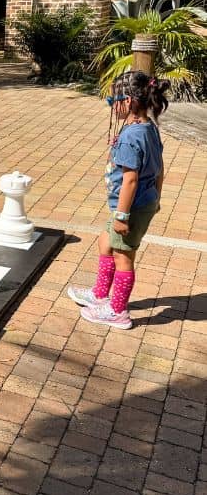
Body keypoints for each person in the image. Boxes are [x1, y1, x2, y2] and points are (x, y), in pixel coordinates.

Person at [67, 71, 170, 329]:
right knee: (105, 241)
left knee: (124, 257)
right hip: (139, 204)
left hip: (130, 208)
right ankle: (101, 294)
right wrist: (155, 198)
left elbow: (130, 181)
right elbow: (159, 169)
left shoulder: (130, 137)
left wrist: (122, 216)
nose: (112, 106)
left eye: (114, 101)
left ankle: (117, 311)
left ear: (130, 101)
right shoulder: (149, 129)